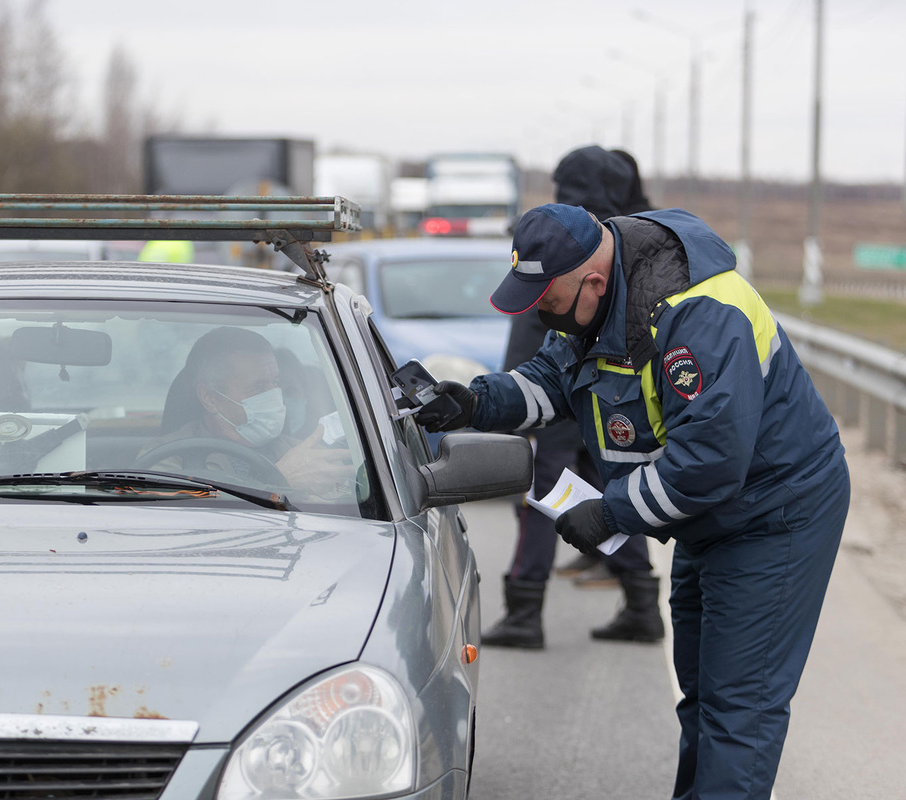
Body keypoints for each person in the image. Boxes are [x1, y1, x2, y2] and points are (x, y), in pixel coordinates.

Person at [419, 202, 850, 799]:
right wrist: (472, 403)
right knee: (701, 693)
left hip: (774, 513)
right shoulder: (598, 305)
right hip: (710, 518)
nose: (543, 315)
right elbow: (551, 380)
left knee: (739, 708)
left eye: (547, 299)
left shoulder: (698, 313)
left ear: (592, 283)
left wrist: (610, 512)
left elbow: (710, 460)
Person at [484, 145, 662, 650]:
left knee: (544, 494)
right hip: (613, 397)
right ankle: (641, 601)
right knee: (605, 489)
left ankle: (524, 609)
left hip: (562, 391)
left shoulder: (560, 245)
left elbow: (535, 337)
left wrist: (509, 394)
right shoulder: (618, 243)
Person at [139, 326, 351, 498]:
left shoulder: (300, 453)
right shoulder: (167, 457)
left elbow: (348, 507)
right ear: (209, 398)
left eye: (276, 383)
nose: (275, 395)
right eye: (258, 387)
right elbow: (172, 519)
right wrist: (279, 482)